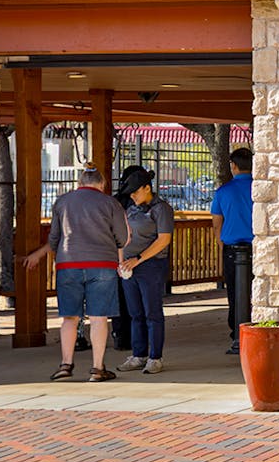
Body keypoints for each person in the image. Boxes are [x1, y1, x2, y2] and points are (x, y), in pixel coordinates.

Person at [23, 163, 128, 383]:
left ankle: (66, 364)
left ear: (80, 183)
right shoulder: (111, 203)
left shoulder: (62, 202)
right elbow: (123, 237)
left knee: (69, 317)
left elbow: (54, 238)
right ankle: (97, 368)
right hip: (102, 264)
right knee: (99, 317)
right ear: (102, 183)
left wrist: (44, 254)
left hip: (67, 265)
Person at [113, 167, 174, 375]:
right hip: (129, 266)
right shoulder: (132, 209)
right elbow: (122, 236)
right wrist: (122, 261)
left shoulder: (161, 209)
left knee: (152, 313)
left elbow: (163, 240)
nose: (132, 196)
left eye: (135, 192)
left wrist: (138, 259)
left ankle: (155, 357)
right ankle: (138, 354)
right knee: (135, 313)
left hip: (151, 265)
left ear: (147, 188)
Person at [211, 147, 253, 355]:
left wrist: (221, 245)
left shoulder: (223, 192)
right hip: (258, 247)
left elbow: (217, 224)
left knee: (235, 293)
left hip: (232, 248)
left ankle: (237, 333)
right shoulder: (259, 189)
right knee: (256, 291)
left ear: (233, 166)